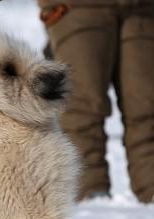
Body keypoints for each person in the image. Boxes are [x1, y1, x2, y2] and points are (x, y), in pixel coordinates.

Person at [39, 0, 154, 203]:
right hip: (78, 8)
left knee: (146, 109)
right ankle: (91, 197)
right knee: (82, 109)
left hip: (142, 8)